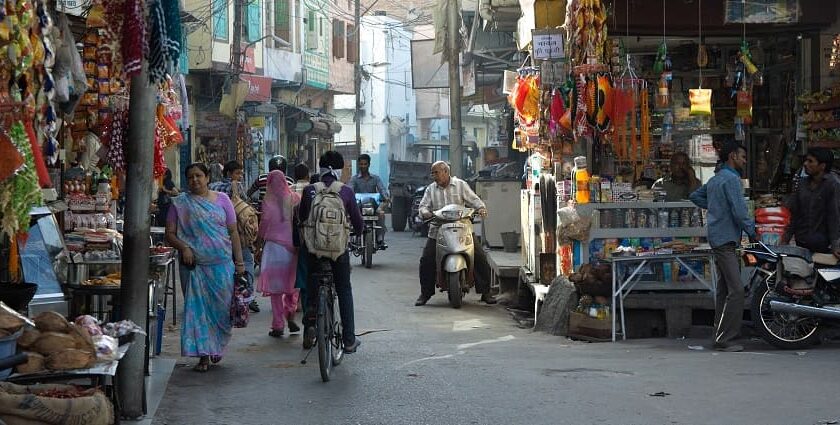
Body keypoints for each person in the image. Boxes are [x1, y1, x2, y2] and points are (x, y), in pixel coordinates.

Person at [165, 163, 245, 372]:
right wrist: (184, 248)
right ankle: (203, 356)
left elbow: (233, 232)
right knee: (198, 312)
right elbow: (170, 233)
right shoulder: (180, 204)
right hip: (195, 267)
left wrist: (240, 263)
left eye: (199, 176)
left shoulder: (223, 200)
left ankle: (216, 346)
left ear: (207, 177)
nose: (195, 180)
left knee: (221, 311)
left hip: (222, 265)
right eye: (190, 177)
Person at [690, 141, 757, 353]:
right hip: (726, 239)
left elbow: (695, 196)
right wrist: (753, 232)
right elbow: (739, 211)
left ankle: (719, 333)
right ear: (732, 157)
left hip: (719, 237)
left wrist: (716, 206)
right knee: (737, 290)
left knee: (725, 290)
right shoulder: (732, 179)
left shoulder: (717, 178)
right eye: (742, 157)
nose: (744, 161)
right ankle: (725, 338)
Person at [298, 151, 363, 353]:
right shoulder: (346, 192)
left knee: (311, 283)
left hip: (314, 250)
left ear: (320, 168)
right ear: (340, 169)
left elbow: (301, 219)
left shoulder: (309, 191)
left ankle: (310, 322)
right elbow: (358, 223)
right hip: (338, 250)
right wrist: (357, 233)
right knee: (343, 288)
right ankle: (349, 339)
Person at [415, 161, 497, 306]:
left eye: (436, 172)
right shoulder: (430, 189)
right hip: (438, 230)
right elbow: (423, 207)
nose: (434, 176)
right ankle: (425, 293)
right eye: (432, 173)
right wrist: (425, 213)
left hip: (462, 229)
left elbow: (474, 200)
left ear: (446, 171)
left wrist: (481, 208)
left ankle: (486, 292)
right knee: (426, 260)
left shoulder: (460, 185)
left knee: (480, 258)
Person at [210, 160, 260, 313]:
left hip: (217, 233)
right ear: (229, 173)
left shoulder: (212, 187)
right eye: (238, 173)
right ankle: (248, 293)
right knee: (246, 261)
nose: (240, 176)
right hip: (236, 231)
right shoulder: (236, 186)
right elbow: (245, 205)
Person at [256, 170, 302, 337]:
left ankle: (278, 324)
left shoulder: (267, 202)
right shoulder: (295, 198)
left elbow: (263, 226)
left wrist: (258, 244)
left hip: (274, 248)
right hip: (292, 249)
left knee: (276, 289)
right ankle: (290, 311)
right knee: (292, 284)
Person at [781, 148, 840, 258]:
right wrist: (786, 238)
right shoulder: (802, 184)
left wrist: (835, 244)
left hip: (823, 243)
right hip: (802, 240)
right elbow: (795, 214)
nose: (805, 164)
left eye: (810, 161)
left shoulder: (832, 184)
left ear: (822, 166)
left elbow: (834, 216)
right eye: (806, 160)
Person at [348, 154, 389, 249]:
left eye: (365, 164)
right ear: (358, 165)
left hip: (373, 206)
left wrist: (386, 197)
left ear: (369, 164)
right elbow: (350, 190)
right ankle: (351, 239)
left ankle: (380, 239)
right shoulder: (354, 179)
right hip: (359, 206)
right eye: (361, 164)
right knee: (349, 215)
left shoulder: (376, 178)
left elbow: (382, 189)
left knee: (381, 214)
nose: (363, 166)